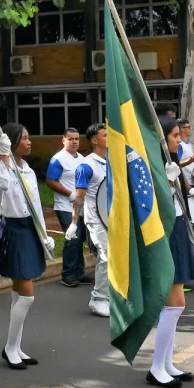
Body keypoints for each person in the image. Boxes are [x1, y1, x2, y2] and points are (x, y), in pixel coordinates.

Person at [0, 123, 55, 369]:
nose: (30, 142)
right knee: (27, 296)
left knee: (18, 293)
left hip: (29, 230)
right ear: (13, 142)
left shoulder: (27, 169)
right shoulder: (1, 168)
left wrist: (44, 234)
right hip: (14, 231)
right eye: (25, 138)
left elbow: (37, 206)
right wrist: (4, 156)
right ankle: (9, 347)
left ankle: (16, 347)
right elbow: (4, 186)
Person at [146, 115, 194, 388]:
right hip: (165, 234)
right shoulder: (153, 170)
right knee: (175, 303)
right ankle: (157, 367)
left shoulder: (170, 167)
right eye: (175, 136)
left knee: (175, 305)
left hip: (178, 229)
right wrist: (164, 183)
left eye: (180, 135)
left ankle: (166, 363)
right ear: (161, 140)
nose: (180, 140)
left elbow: (182, 202)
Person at [69, 123, 110, 317]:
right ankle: (98, 298)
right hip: (95, 219)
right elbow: (79, 197)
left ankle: (111, 296)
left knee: (115, 259)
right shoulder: (86, 165)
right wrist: (74, 223)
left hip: (113, 219)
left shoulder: (111, 161)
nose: (109, 138)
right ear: (95, 140)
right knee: (105, 256)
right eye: (105, 135)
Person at [46, 128, 90, 288]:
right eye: (70, 139)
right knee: (73, 238)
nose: (74, 142)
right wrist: (69, 194)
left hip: (81, 207)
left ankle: (79, 272)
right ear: (63, 140)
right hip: (65, 206)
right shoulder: (58, 159)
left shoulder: (82, 159)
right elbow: (51, 181)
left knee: (79, 240)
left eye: (77, 139)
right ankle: (67, 274)